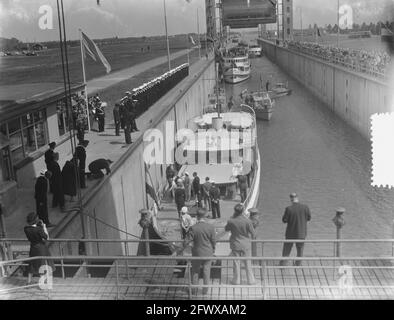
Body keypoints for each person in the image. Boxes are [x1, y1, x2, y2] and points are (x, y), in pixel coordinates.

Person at [183, 208, 216, 296]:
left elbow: (186, 241)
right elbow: (213, 241)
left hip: (197, 252)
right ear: (205, 216)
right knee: (206, 271)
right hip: (208, 252)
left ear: (197, 217)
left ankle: (194, 290)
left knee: (195, 271)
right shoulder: (210, 227)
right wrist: (213, 249)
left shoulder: (193, 228)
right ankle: (205, 290)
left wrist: (190, 245)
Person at [225, 204, 256, 285]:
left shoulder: (231, 220)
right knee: (248, 263)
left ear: (235, 210)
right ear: (243, 211)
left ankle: (236, 280)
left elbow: (226, 229)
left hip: (235, 244)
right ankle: (251, 280)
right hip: (246, 244)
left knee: (236, 263)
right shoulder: (247, 221)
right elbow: (253, 234)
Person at [280, 193, 311, 266]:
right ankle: (298, 265)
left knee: (286, 251)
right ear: (298, 198)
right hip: (301, 233)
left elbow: (284, 220)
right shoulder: (305, 207)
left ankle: (283, 265)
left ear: (291, 199)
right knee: (300, 251)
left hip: (290, 234)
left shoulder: (289, 209)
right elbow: (309, 218)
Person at [24, 212, 54, 285]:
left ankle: (29, 281)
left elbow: (32, 228)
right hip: (41, 247)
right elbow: (47, 237)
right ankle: (43, 283)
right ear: (35, 219)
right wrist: (44, 227)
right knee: (42, 264)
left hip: (33, 247)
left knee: (32, 263)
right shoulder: (39, 229)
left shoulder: (26, 229)